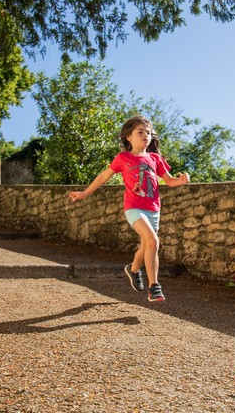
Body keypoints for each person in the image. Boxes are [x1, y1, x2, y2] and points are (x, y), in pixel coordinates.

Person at [68, 116, 190, 302]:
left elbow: (169, 180)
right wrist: (84, 193)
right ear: (128, 137)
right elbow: (103, 177)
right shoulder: (123, 158)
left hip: (154, 209)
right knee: (153, 241)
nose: (145, 135)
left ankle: (133, 270)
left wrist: (180, 181)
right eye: (140, 132)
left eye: (148, 132)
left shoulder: (155, 159)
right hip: (134, 208)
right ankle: (154, 287)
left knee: (148, 245)